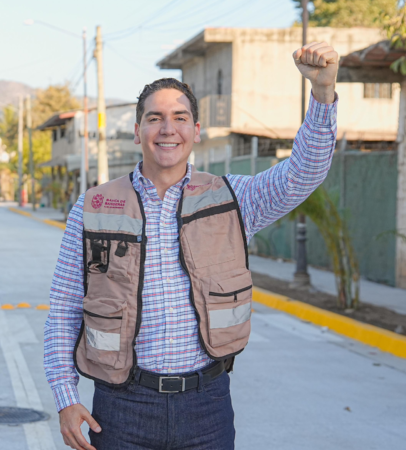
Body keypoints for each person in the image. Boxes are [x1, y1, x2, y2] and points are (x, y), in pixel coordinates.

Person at [43, 42, 339, 450]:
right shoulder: (93, 207)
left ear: (196, 131)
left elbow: (303, 173)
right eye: (155, 118)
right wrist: (65, 397)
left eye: (180, 118)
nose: (168, 129)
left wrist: (322, 95)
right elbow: (64, 308)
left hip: (206, 406)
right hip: (119, 406)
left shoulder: (233, 199)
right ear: (136, 131)